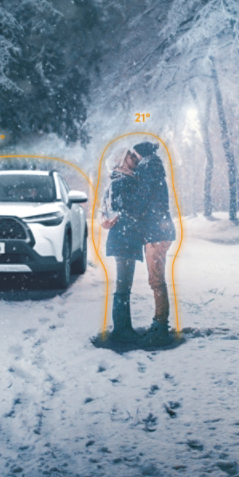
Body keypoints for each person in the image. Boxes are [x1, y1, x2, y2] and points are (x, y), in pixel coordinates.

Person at [133, 141, 175, 344]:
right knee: (157, 280)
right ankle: (160, 324)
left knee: (156, 281)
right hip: (161, 231)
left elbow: (142, 200)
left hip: (156, 234)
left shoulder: (147, 169)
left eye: (135, 155)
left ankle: (160, 327)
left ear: (141, 155)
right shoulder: (156, 169)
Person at [102, 147, 145, 343]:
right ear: (121, 159)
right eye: (130, 155)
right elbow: (121, 210)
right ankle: (121, 330)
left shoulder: (124, 180)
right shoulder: (121, 182)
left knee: (124, 285)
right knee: (123, 286)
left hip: (126, 238)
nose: (134, 158)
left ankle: (123, 328)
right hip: (124, 239)